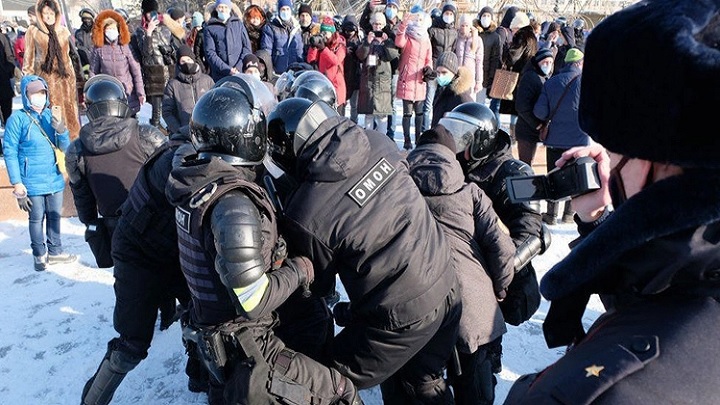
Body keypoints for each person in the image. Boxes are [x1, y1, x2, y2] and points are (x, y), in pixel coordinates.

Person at [505, 1, 720, 402]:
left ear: (661, 162)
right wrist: (598, 221)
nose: (605, 158)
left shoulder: (595, 394)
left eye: (616, 148)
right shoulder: (699, 272)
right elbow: (659, 296)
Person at [165, 75, 363, 405]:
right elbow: (252, 299)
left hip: (218, 331)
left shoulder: (197, 183)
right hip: (248, 340)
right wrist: (300, 269)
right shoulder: (233, 205)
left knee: (313, 319)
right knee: (341, 391)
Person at [267, 97, 461, 403]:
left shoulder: (306, 212)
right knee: (422, 381)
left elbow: (316, 288)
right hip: (446, 279)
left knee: (321, 379)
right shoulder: (379, 141)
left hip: (401, 317)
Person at [80, 99, 198, 405]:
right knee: (131, 344)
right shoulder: (173, 153)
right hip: (137, 252)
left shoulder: (153, 137)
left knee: (201, 315)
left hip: (174, 247)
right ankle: (91, 401)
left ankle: (199, 375)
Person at [407, 126, 515, 405]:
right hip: (472, 308)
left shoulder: (398, 194)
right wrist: (501, 287)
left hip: (418, 308)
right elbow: (501, 247)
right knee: (476, 391)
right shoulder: (471, 192)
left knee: (422, 385)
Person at [447, 101, 551, 378]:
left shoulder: (516, 172)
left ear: (481, 142)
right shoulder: (453, 167)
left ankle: (490, 357)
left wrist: (498, 271)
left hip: (499, 276)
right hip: (457, 266)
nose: (456, 144)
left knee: (482, 355)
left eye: (463, 138)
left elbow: (532, 231)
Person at [65, 75, 165, 268]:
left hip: (116, 229)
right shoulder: (146, 135)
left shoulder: (76, 150)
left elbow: (83, 198)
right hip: (154, 224)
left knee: (127, 276)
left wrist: (91, 222)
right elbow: (168, 176)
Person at [2, 76, 76, 271]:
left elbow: (65, 148)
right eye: (34, 93)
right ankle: (39, 254)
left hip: (53, 176)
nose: (39, 96)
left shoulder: (51, 115)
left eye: (42, 92)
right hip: (31, 180)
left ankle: (55, 251)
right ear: (26, 95)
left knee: (54, 216)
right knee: (36, 219)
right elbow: (10, 152)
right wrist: (17, 183)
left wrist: (61, 130)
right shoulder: (17, 119)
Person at [533, 47, 588, 225]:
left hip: (555, 140)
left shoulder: (552, 82)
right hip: (579, 140)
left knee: (554, 175)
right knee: (576, 176)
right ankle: (569, 214)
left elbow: (540, 111)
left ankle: (551, 215)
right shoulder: (587, 82)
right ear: (579, 63)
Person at [23, 0, 81, 139]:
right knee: (51, 119)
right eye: (45, 13)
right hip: (45, 82)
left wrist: (74, 79)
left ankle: (73, 144)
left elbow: (69, 57)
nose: (49, 16)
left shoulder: (63, 31)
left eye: (51, 13)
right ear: (40, 15)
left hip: (65, 81)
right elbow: (28, 60)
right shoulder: (33, 31)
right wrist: (29, 84)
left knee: (71, 118)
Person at [131, 0, 185, 129]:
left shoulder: (166, 29)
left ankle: (173, 131)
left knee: (173, 108)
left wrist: (169, 51)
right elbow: (146, 53)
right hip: (153, 76)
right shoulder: (140, 32)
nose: (152, 16)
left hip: (169, 72)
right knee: (157, 112)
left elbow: (176, 48)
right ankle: (155, 132)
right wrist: (149, 33)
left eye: (154, 12)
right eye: (149, 13)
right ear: (144, 14)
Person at [90, 10, 146, 116]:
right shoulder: (98, 49)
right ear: (103, 31)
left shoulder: (125, 47)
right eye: (108, 29)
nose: (111, 31)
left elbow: (136, 71)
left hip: (127, 93)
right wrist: (92, 93)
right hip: (108, 94)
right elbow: (93, 72)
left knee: (130, 122)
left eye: (113, 29)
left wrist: (140, 93)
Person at [395, 9, 432, 150]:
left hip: (420, 80)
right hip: (407, 79)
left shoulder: (426, 39)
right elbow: (399, 42)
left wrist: (428, 68)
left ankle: (418, 139)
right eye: (416, 19)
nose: (418, 22)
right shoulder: (408, 36)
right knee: (407, 113)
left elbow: (428, 58)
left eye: (421, 20)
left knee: (420, 113)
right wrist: (404, 23)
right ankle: (407, 140)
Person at [356, 12, 397, 135]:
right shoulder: (366, 39)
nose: (377, 27)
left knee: (382, 116)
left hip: (383, 82)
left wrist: (386, 43)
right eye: (375, 24)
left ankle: (382, 140)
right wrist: (367, 43)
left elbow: (392, 56)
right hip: (368, 81)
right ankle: (369, 140)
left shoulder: (388, 40)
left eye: (379, 24)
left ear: (383, 25)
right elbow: (360, 55)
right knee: (368, 115)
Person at [162, 45, 214, 138]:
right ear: (178, 64)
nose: (186, 63)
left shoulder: (207, 81)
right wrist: (179, 130)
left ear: (193, 60)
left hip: (207, 132)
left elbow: (215, 105)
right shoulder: (173, 85)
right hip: (184, 135)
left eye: (188, 60)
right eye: (183, 61)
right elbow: (167, 112)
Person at [499, 14, 536, 144]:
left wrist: (506, 49)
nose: (512, 32)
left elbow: (513, 57)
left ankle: (514, 135)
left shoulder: (521, 37)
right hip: (528, 74)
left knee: (515, 108)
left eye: (513, 29)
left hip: (518, 77)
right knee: (523, 107)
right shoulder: (532, 37)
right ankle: (519, 135)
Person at [514, 48, 553, 166]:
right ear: (538, 62)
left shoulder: (544, 77)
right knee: (525, 164)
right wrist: (537, 125)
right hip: (527, 129)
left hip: (536, 129)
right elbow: (521, 106)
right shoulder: (530, 77)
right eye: (545, 62)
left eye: (550, 62)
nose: (548, 65)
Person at [424, 2, 458, 132]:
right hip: (434, 70)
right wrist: (428, 66)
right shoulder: (433, 30)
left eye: (450, 14)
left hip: (447, 72)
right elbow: (427, 49)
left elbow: (453, 51)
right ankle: (425, 131)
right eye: (446, 13)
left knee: (443, 104)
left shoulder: (454, 32)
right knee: (429, 104)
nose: (448, 16)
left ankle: (440, 130)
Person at [203, 0, 252, 82]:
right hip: (220, 74)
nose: (223, 10)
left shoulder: (238, 24)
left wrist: (238, 66)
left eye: (226, 7)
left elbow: (246, 47)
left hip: (240, 72)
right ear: (216, 8)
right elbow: (210, 52)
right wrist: (227, 69)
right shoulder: (210, 28)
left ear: (230, 8)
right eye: (220, 7)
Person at [307, 16, 347, 114]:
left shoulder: (340, 45)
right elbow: (310, 59)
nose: (324, 35)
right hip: (323, 85)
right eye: (322, 32)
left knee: (337, 117)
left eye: (326, 33)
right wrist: (313, 47)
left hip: (337, 87)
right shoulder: (322, 43)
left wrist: (323, 49)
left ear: (332, 33)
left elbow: (336, 61)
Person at [431, 51, 473, 128]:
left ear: (454, 73)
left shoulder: (462, 97)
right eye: (438, 72)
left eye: (444, 72)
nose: (440, 76)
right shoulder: (440, 90)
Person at [261, 0, 303, 75]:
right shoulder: (271, 27)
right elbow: (267, 51)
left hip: (294, 72)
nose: (285, 12)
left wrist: (301, 68)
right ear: (279, 10)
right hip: (277, 73)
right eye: (283, 9)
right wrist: (270, 70)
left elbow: (299, 51)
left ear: (291, 10)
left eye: (287, 9)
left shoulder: (296, 28)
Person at [455, 14, 483, 100]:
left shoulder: (477, 40)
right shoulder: (456, 38)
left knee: (469, 102)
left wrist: (479, 81)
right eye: (462, 25)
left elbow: (479, 62)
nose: (464, 27)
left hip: (470, 78)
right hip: (457, 76)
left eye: (466, 25)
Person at [339, 15, 362, 123]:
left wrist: (357, 51)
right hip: (342, 76)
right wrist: (344, 50)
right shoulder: (340, 40)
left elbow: (362, 57)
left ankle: (354, 124)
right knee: (342, 103)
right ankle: (341, 123)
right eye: (347, 30)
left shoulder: (359, 41)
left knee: (354, 105)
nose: (349, 33)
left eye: (352, 30)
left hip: (355, 77)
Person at [0, 26, 15, 127]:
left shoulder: (2, 37)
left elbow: (10, 57)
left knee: (7, 113)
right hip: (3, 78)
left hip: (3, 79)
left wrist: (8, 72)